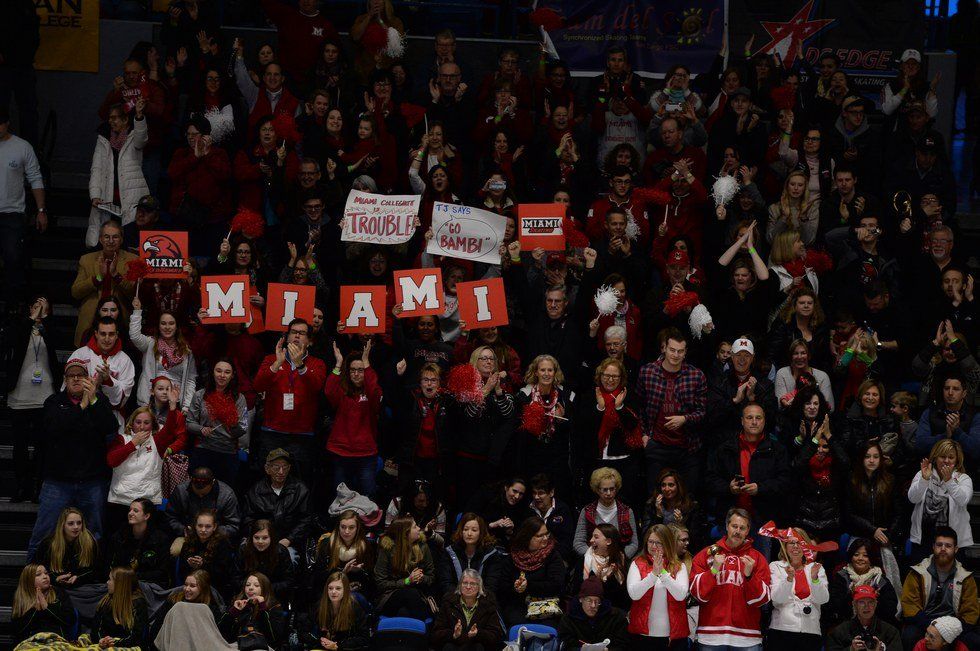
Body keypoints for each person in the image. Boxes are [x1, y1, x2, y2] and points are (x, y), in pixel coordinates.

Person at [26, 358, 119, 560]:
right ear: (65, 380)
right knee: (43, 532)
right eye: (71, 376)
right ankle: (31, 579)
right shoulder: (54, 402)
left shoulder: (99, 401)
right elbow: (55, 428)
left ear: (88, 379)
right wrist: (81, 407)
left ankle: (91, 580)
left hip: (92, 480)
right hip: (57, 481)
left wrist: (92, 402)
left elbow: (111, 429)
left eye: (81, 375)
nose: (76, 379)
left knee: (95, 533)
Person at [704, 403, 792, 554]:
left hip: (763, 519)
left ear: (764, 421)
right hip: (730, 518)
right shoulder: (725, 448)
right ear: (742, 421)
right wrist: (728, 488)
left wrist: (760, 488)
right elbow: (709, 479)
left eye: (758, 418)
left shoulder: (777, 450)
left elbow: (785, 481)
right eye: (749, 417)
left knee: (761, 567)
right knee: (729, 566)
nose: (754, 422)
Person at [253, 318, 327, 483]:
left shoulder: (318, 363)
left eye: (302, 333)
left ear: (309, 340)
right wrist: (276, 364)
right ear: (286, 337)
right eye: (293, 332)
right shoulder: (271, 359)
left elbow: (317, 386)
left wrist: (301, 366)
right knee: (267, 479)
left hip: (301, 434)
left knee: (298, 481)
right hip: (272, 431)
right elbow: (258, 385)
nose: (297, 336)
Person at [636, 328, 707, 493]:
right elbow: (639, 406)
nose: (676, 355)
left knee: (688, 497)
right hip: (657, 444)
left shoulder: (696, 376)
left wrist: (684, 419)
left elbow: (702, 412)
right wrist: (644, 434)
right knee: (654, 496)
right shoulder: (648, 372)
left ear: (685, 352)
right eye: (672, 350)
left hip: (687, 446)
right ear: (664, 349)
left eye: (680, 351)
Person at [690, 507, 771, 649]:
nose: (738, 531)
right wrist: (714, 569)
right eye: (734, 526)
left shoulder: (757, 558)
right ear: (727, 526)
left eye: (742, 528)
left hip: (747, 638)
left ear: (747, 531)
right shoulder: (706, 554)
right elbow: (698, 595)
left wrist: (749, 576)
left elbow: (761, 600)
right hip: (710, 636)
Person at [6, 296, 60, 502]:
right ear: (30, 308)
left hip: (45, 395)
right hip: (19, 394)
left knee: (42, 445)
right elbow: (12, 340)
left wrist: (44, 320)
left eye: (44, 305)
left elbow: (57, 341)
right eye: (36, 305)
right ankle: (21, 486)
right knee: (20, 445)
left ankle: (39, 486)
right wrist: (30, 320)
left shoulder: (49, 328)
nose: (40, 309)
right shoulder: (19, 327)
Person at [900, 526, 980, 649]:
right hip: (925, 624)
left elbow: (971, 613)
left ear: (956, 549)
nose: (943, 549)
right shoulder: (917, 572)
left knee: (974, 640)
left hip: (953, 626)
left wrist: (950, 630)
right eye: (939, 545)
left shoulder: (966, 577)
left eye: (948, 546)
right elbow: (910, 606)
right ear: (933, 547)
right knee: (909, 635)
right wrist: (934, 629)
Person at [0, 106, 46, 313]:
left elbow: (35, 178)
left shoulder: (22, 146)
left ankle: (13, 305)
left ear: (7, 122)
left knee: (13, 257)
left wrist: (41, 210)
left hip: (12, 213)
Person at [87, 99, 148, 248]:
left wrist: (139, 116)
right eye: (110, 118)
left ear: (126, 119)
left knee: (128, 244)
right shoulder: (103, 138)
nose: (111, 121)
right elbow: (96, 169)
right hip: (107, 199)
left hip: (130, 197)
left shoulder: (134, 136)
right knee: (106, 243)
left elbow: (142, 140)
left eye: (114, 118)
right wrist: (95, 195)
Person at [326, 340, 383, 496]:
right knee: (340, 498)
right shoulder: (342, 392)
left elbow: (375, 393)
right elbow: (329, 391)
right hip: (340, 452)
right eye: (352, 370)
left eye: (360, 370)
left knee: (368, 497)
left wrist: (366, 363)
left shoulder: (372, 392)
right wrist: (338, 365)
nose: (356, 374)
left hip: (365, 454)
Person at [71, 221, 138, 346]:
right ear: (101, 239)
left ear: (122, 239)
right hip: (91, 322)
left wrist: (116, 276)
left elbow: (134, 293)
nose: (111, 241)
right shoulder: (86, 260)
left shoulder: (132, 260)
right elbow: (76, 292)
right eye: (107, 237)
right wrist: (98, 277)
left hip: (121, 322)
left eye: (115, 237)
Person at [242, 448, 313, 565]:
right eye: (276, 467)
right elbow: (248, 519)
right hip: (260, 539)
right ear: (267, 469)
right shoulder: (255, 491)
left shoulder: (300, 490)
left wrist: (289, 539)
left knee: (290, 558)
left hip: (288, 541)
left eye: (285, 467)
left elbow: (306, 520)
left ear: (289, 468)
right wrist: (260, 538)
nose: (281, 472)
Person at [186, 358, 249, 486]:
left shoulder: (239, 398)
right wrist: (201, 429)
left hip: (228, 452)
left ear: (232, 376)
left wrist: (230, 422)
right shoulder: (200, 395)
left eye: (227, 372)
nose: (222, 375)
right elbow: (189, 423)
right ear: (212, 373)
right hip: (203, 449)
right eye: (218, 371)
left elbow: (242, 428)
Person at [625, 524, 690, 649]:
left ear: (667, 543)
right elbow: (634, 593)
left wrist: (663, 574)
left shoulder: (679, 566)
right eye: (650, 542)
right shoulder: (637, 563)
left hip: (673, 636)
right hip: (643, 635)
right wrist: (653, 575)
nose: (653, 546)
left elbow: (681, 595)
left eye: (658, 543)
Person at [908, 440, 974, 558]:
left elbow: (963, 500)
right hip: (924, 541)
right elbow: (912, 498)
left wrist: (949, 481)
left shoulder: (963, 479)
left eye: (951, 457)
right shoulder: (923, 473)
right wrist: (924, 480)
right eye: (943, 456)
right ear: (935, 457)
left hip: (953, 545)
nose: (946, 461)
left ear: (957, 460)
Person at [129, 295, 197, 409]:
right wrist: (137, 311)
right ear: (158, 326)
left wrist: (187, 405)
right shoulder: (150, 344)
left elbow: (190, 380)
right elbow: (134, 336)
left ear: (176, 327)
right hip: (150, 402)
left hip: (175, 402)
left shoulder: (186, 350)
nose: (167, 327)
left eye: (171, 323)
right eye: (163, 323)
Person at [767, 527, 829, 650]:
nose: (796, 546)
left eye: (800, 542)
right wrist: (788, 579)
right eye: (791, 543)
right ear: (784, 546)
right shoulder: (776, 566)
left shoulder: (816, 568)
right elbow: (777, 598)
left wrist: (815, 579)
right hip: (782, 631)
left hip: (811, 632)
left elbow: (823, 599)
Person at [500, 516, 566, 628]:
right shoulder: (512, 557)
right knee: (516, 625)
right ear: (527, 537)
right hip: (518, 606)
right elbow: (502, 587)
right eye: (540, 536)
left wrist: (528, 586)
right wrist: (516, 588)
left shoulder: (553, 556)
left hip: (547, 606)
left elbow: (556, 585)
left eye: (547, 534)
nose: (545, 538)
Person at [827, 537, 900, 628]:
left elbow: (891, 609)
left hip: (876, 625)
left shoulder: (879, 579)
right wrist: (851, 596)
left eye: (865, 555)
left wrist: (875, 600)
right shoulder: (842, 576)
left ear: (871, 559)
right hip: (847, 625)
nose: (860, 558)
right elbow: (835, 606)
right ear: (851, 557)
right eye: (856, 554)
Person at [374, 515, 436, 619]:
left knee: (404, 612)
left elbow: (431, 577)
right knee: (409, 593)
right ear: (405, 533)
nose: (419, 529)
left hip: (418, 595)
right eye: (415, 527)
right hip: (390, 596)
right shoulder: (387, 549)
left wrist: (421, 578)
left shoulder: (422, 546)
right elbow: (381, 583)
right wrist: (407, 581)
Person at [309, 509, 377, 604]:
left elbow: (372, 579)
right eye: (343, 527)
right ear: (338, 527)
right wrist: (343, 572)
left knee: (354, 600)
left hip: (356, 589)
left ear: (357, 529)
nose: (347, 531)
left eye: (351, 527)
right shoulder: (328, 544)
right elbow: (318, 577)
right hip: (330, 590)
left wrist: (359, 572)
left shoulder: (365, 546)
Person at [105, 498, 173, 589]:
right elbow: (111, 565)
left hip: (149, 585)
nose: (130, 513)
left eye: (135, 511)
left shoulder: (160, 539)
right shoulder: (120, 536)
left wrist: (132, 577)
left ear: (146, 516)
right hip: (121, 584)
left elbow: (162, 572)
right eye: (130, 510)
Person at [573, 467, 639, 559]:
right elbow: (578, 543)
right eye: (605, 489)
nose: (609, 493)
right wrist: (594, 557)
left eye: (612, 489)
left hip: (619, 561)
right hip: (592, 560)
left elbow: (634, 544)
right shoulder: (587, 511)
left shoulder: (627, 511)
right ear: (597, 490)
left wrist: (619, 557)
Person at [431, 569, 505, 651]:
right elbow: (436, 634)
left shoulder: (488, 603)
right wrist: (453, 634)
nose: (468, 587)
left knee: (478, 647)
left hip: (477, 645)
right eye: (465, 583)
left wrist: (478, 634)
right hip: (454, 645)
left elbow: (495, 635)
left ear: (479, 587)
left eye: (473, 584)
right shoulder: (448, 602)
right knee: (448, 647)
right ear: (460, 585)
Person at [164, 467, 241, 542]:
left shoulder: (227, 495)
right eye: (197, 493)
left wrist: (211, 531)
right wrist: (183, 529)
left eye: (203, 494)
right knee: (175, 551)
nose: (200, 495)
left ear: (212, 483)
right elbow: (170, 517)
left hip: (217, 538)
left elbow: (233, 526)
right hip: (187, 535)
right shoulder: (181, 491)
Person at [915, 375, 980, 463]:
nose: (950, 392)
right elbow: (920, 445)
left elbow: (976, 450)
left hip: (965, 469)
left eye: (956, 389)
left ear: (964, 393)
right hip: (933, 468)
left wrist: (957, 431)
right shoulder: (930, 412)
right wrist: (945, 436)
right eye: (946, 388)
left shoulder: (975, 415)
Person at [299, 570, 370, 651]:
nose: (333, 592)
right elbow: (303, 632)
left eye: (338, 588)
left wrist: (337, 646)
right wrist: (320, 642)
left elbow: (364, 638)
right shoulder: (319, 605)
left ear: (345, 590)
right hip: (322, 647)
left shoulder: (355, 607)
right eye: (330, 588)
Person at [436, 513, 503, 598]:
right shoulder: (449, 552)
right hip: (454, 601)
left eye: (474, 530)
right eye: (466, 529)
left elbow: (491, 586)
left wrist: (475, 601)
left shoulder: (491, 554)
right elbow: (446, 583)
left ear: (481, 533)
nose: (469, 533)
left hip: (482, 601)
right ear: (461, 531)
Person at [149, 570, 222, 645]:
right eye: (186, 584)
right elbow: (156, 627)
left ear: (203, 588)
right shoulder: (173, 601)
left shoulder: (210, 608)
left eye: (192, 586)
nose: (187, 589)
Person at [35, 507, 100, 590]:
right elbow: (41, 569)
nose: (76, 527)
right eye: (70, 523)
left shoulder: (90, 542)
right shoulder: (48, 544)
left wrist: (78, 577)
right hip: (55, 587)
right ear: (63, 525)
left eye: (79, 523)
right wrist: (55, 579)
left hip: (83, 587)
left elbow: (96, 571)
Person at [558, 575, 631, 650]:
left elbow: (623, 644)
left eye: (597, 601)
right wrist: (580, 649)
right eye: (589, 600)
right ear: (581, 599)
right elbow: (564, 645)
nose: (593, 605)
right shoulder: (568, 619)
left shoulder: (616, 617)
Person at [642, 469, 706, 550]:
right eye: (663, 485)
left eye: (671, 485)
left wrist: (681, 524)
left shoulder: (691, 506)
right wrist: (658, 516)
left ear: (678, 486)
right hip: (659, 549)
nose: (667, 489)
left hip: (682, 550)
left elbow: (696, 540)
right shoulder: (651, 505)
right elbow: (646, 537)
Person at [11, 564, 76, 644]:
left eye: (46, 573)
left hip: (56, 642)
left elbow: (70, 620)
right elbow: (17, 630)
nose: (45, 576)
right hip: (30, 643)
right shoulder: (21, 598)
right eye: (38, 574)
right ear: (28, 580)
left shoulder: (59, 592)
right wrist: (35, 610)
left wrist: (47, 607)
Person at [234, 519, 296, 603]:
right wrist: (251, 588)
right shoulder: (243, 550)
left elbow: (288, 581)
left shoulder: (281, 551)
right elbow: (236, 578)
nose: (260, 541)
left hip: (274, 596)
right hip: (248, 596)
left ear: (271, 537)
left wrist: (264, 588)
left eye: (265, 538)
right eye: (256, 537)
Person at [825, 584, 902, 651]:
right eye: (861, 602)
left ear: (875, 604)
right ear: (854, 605)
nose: (866, 606)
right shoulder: (839, 632)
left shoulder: (891, 632)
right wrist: (851, 649)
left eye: (870, 602)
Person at [218, 572, 283, 649]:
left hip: (263, 646)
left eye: (256, 585)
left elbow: (274, 638)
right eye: (247, 585)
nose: (250, 588)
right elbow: (219, 632)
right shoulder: (239, 604)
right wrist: (234, 612)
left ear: (264, 588)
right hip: (237, 645)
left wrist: (262, 608)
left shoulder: (274, 607)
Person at [180, 508, 235, 595]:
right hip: (189, 587)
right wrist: (190, 565)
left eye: (208, 526)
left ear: (215, 527)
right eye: (200, 526)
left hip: (213, 587)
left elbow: (224, 574)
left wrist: (203, 565)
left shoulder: (223, 544)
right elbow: (181, 571)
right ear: (195, 526)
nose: (203, 530)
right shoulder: (188, 543)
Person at [92, 566, 148, 649]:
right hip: (106, 645)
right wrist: (101, 640)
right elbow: (95, 630)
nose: (107, 582)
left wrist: (114, 642)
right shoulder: (106, 601)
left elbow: (136, 637)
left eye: (110, 579)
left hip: (127, 646)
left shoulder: (137, 603)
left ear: (120, 584)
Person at [527, 474, 577, 562]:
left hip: (556, 558)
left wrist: (548, 556)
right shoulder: (528, 510)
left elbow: (567, 542)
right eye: (534, 493)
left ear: (551, 492)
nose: (536, 497)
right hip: (530, 556)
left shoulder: (562, 510)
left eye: (541, 493)